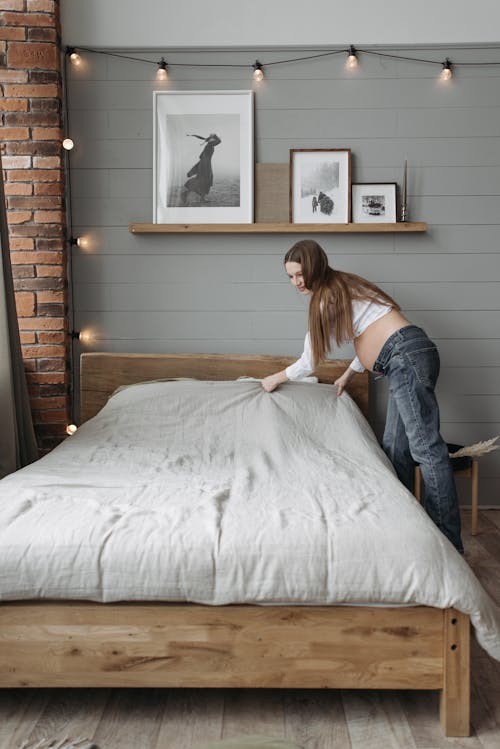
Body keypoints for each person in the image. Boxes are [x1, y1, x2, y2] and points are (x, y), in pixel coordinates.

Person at [261, 239, 463, 553]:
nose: (296, 282)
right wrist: (348, 373)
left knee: (426, 448)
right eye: (290, 276)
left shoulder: (328, 297)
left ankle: (448, 544)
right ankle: (408, 527)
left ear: (314, 267)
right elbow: (371, 330)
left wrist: (276, 378)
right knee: (396, 448)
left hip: (404, 357)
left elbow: (311, 361)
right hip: (406, 354)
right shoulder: (345, 286)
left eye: (300, 274)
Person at [180, 133, 221, 204]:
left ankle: (200, 198)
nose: (214, 140)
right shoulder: (209, 145)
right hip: (205, 165)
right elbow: (219, 141)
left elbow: (203, 158)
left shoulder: (209, 145)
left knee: (204, 181)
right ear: (211, 140)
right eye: (213, 138)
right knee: (202, 181)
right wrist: (213, 136)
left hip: (206, 164)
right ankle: (185, 194)